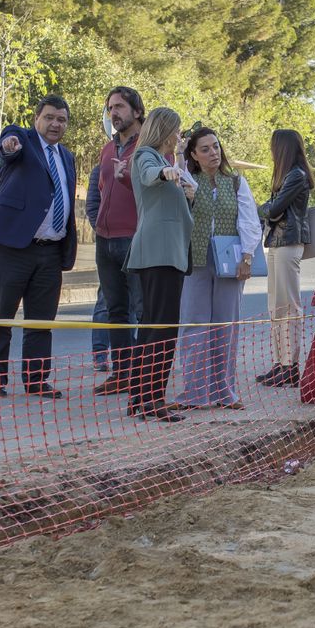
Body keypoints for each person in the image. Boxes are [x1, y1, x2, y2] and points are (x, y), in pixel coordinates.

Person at [0, 94, 78, 398]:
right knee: (2, 314)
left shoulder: (68, 158)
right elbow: (8, 143)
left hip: (51, 250)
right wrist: (9, 145)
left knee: (41, 320)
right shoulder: (22, 140)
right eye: (49, 117)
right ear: (37, 119)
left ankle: (36, 380)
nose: (55, 124)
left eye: (61, 119)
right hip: (13, 246)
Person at [173, 125, 261, 410]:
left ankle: (225, 393)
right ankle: (193, 394)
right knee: (195, 326)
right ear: (194, 155)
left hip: (230, 262)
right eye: (205, 149)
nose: (213, 152)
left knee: (227, 326)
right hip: (196, 261)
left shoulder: (235, 181)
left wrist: (247, 257)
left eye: (216, 146)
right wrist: (177, 155)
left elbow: (249, 220)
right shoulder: (187, 180)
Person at [123, 107, 196, 422]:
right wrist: (166, 173)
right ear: (166, 131)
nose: (180, 137)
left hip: (167, 255)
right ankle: (152, 401)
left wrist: (186, 193)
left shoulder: (165, 161)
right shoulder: (147, 157)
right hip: (159, 256)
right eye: (177, 131)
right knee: (162, 332)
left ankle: (140, 397)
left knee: (152, 330)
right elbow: (148, 172)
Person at [85, 86, 146, 391]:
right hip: (105, 240)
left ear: (137, 111)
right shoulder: (107, 150)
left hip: (135, 239)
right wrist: (97, 224)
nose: (114, 113)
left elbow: (154, 192)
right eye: (110, 108)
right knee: (115, 310)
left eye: (120, 107)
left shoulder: (150, 148)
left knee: (141, 310)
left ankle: (143, 377)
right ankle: (121, 374)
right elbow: (99, 191)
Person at [256, 129, 313, 388]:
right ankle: (280, 364)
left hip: (289, 242)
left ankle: (291, 367)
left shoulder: (297, 176)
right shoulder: (287, 176)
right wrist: (269, 210)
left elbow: (274, 208)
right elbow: (273, 208)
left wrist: (263, 209)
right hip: (278, 241)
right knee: (275, 305)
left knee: (289, 306)